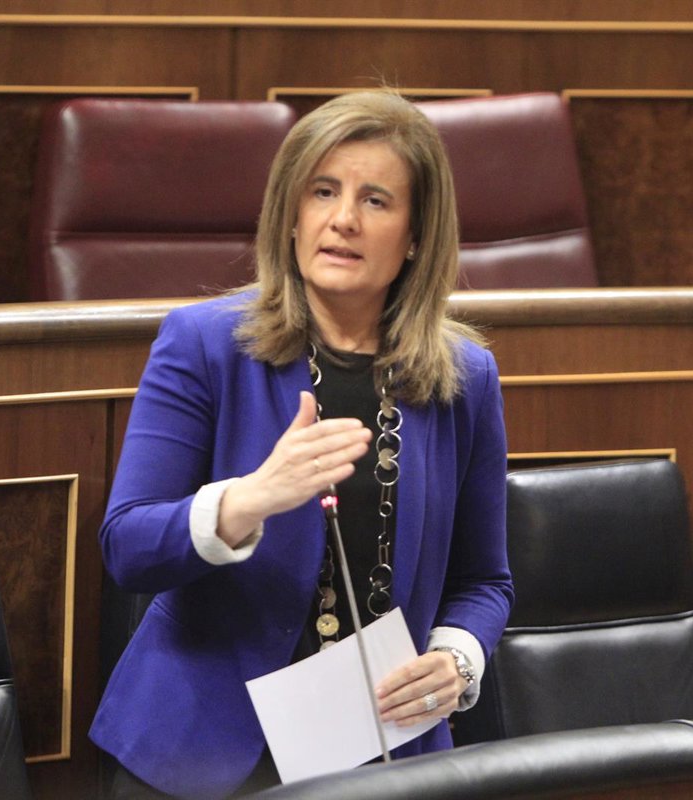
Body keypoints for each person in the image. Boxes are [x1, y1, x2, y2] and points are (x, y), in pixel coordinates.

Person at [91, 90, 514, 799]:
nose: (343, 219)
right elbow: (127, 547)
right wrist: (250, 499)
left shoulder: (464, 379)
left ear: (416, 236)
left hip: (380, 751)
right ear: (291, 215)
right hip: (200, 754)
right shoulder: (204, 345)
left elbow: (484, 582)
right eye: (323, 191)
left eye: (375, 200)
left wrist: (457, 659)